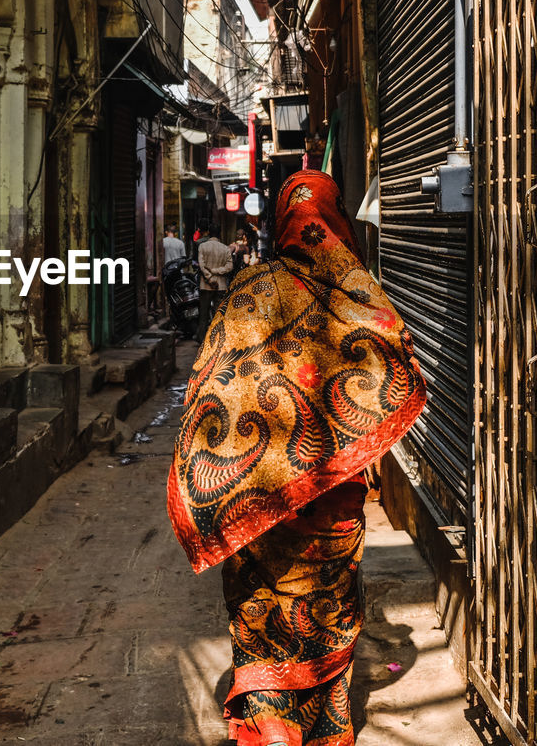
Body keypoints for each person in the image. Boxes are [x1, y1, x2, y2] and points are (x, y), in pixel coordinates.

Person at [167, 170, 427, 746]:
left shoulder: (251, 287)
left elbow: (210, 384)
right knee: (326, 611)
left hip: (254, 502)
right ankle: (324, 729)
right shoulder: (361, 294)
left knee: (262, 608)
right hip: (331, 500)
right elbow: (394, 373)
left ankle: (269, 727)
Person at [196, 220, 233, 335]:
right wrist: (217, 271)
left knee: (203, 314)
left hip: (205, 285)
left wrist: (210, 276)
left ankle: (201, 337)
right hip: (220, 285)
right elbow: (229, 266)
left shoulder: (202, 246)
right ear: (219, 234)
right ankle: (218, 337)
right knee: (219, 314)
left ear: (209, 233)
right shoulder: (225, 248)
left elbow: (201, 265)